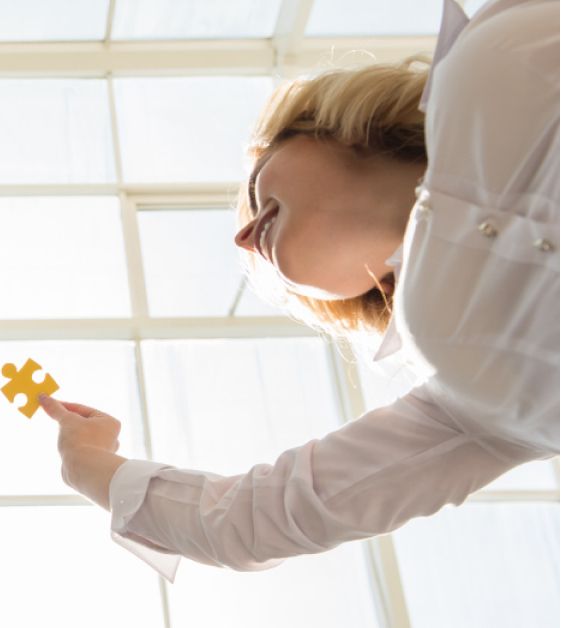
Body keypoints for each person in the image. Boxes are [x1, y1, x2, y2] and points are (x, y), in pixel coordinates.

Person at [40, 0, 558, 578]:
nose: (243, 235)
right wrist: (88, 464)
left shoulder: (497, 56)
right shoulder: (461, 397)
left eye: (259, 187)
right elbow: (257, 517)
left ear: (325, 128)